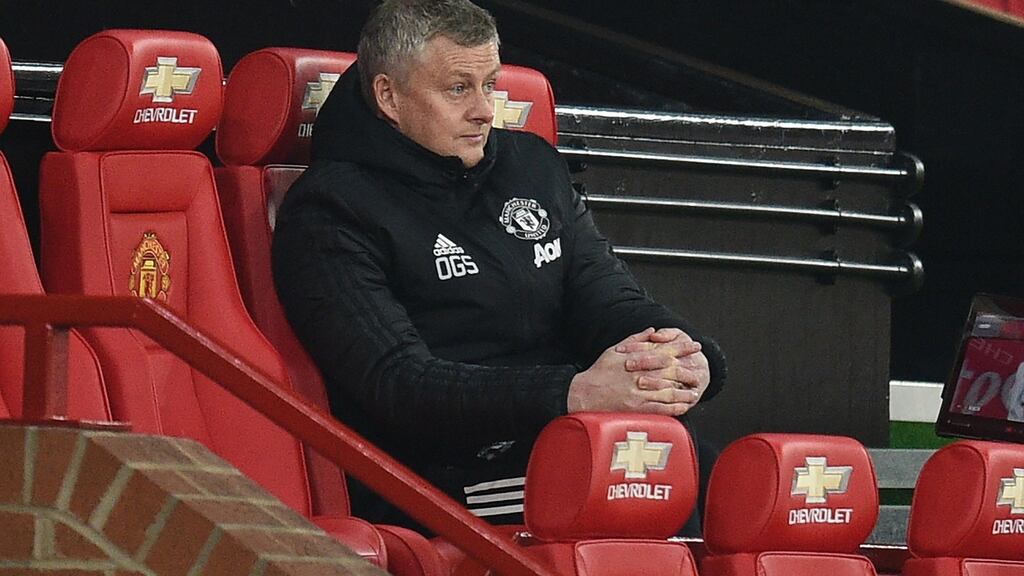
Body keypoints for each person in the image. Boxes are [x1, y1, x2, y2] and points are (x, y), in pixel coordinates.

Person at [272, 0, 726, 531]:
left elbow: (607, 299)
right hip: (435, 473)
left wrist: (688, 357)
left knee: (733, 490)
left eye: (490, 84)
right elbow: (398, 384)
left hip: (563, 436)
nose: (485, 110)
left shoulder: (531, 165)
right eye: (458, 89)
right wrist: (574, 393)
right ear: (389, 96)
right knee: (642, 494)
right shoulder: (329, 209)